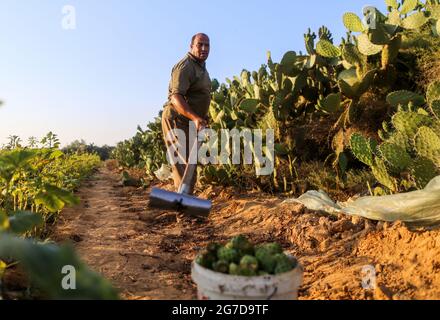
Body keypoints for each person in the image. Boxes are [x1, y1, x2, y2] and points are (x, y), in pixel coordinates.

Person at [162, 33, 211, 195]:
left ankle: (187, 205)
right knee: (183, 165)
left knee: (191, 165)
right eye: (200, 45)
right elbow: (176, 97)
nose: (204, 48)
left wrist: (202, 116)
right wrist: (196, 117)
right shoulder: (185, 66)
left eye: (207, 45)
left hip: (190, 122)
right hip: (177, 120)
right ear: (191, 46)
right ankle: (183, 213)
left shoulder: (201, 67)